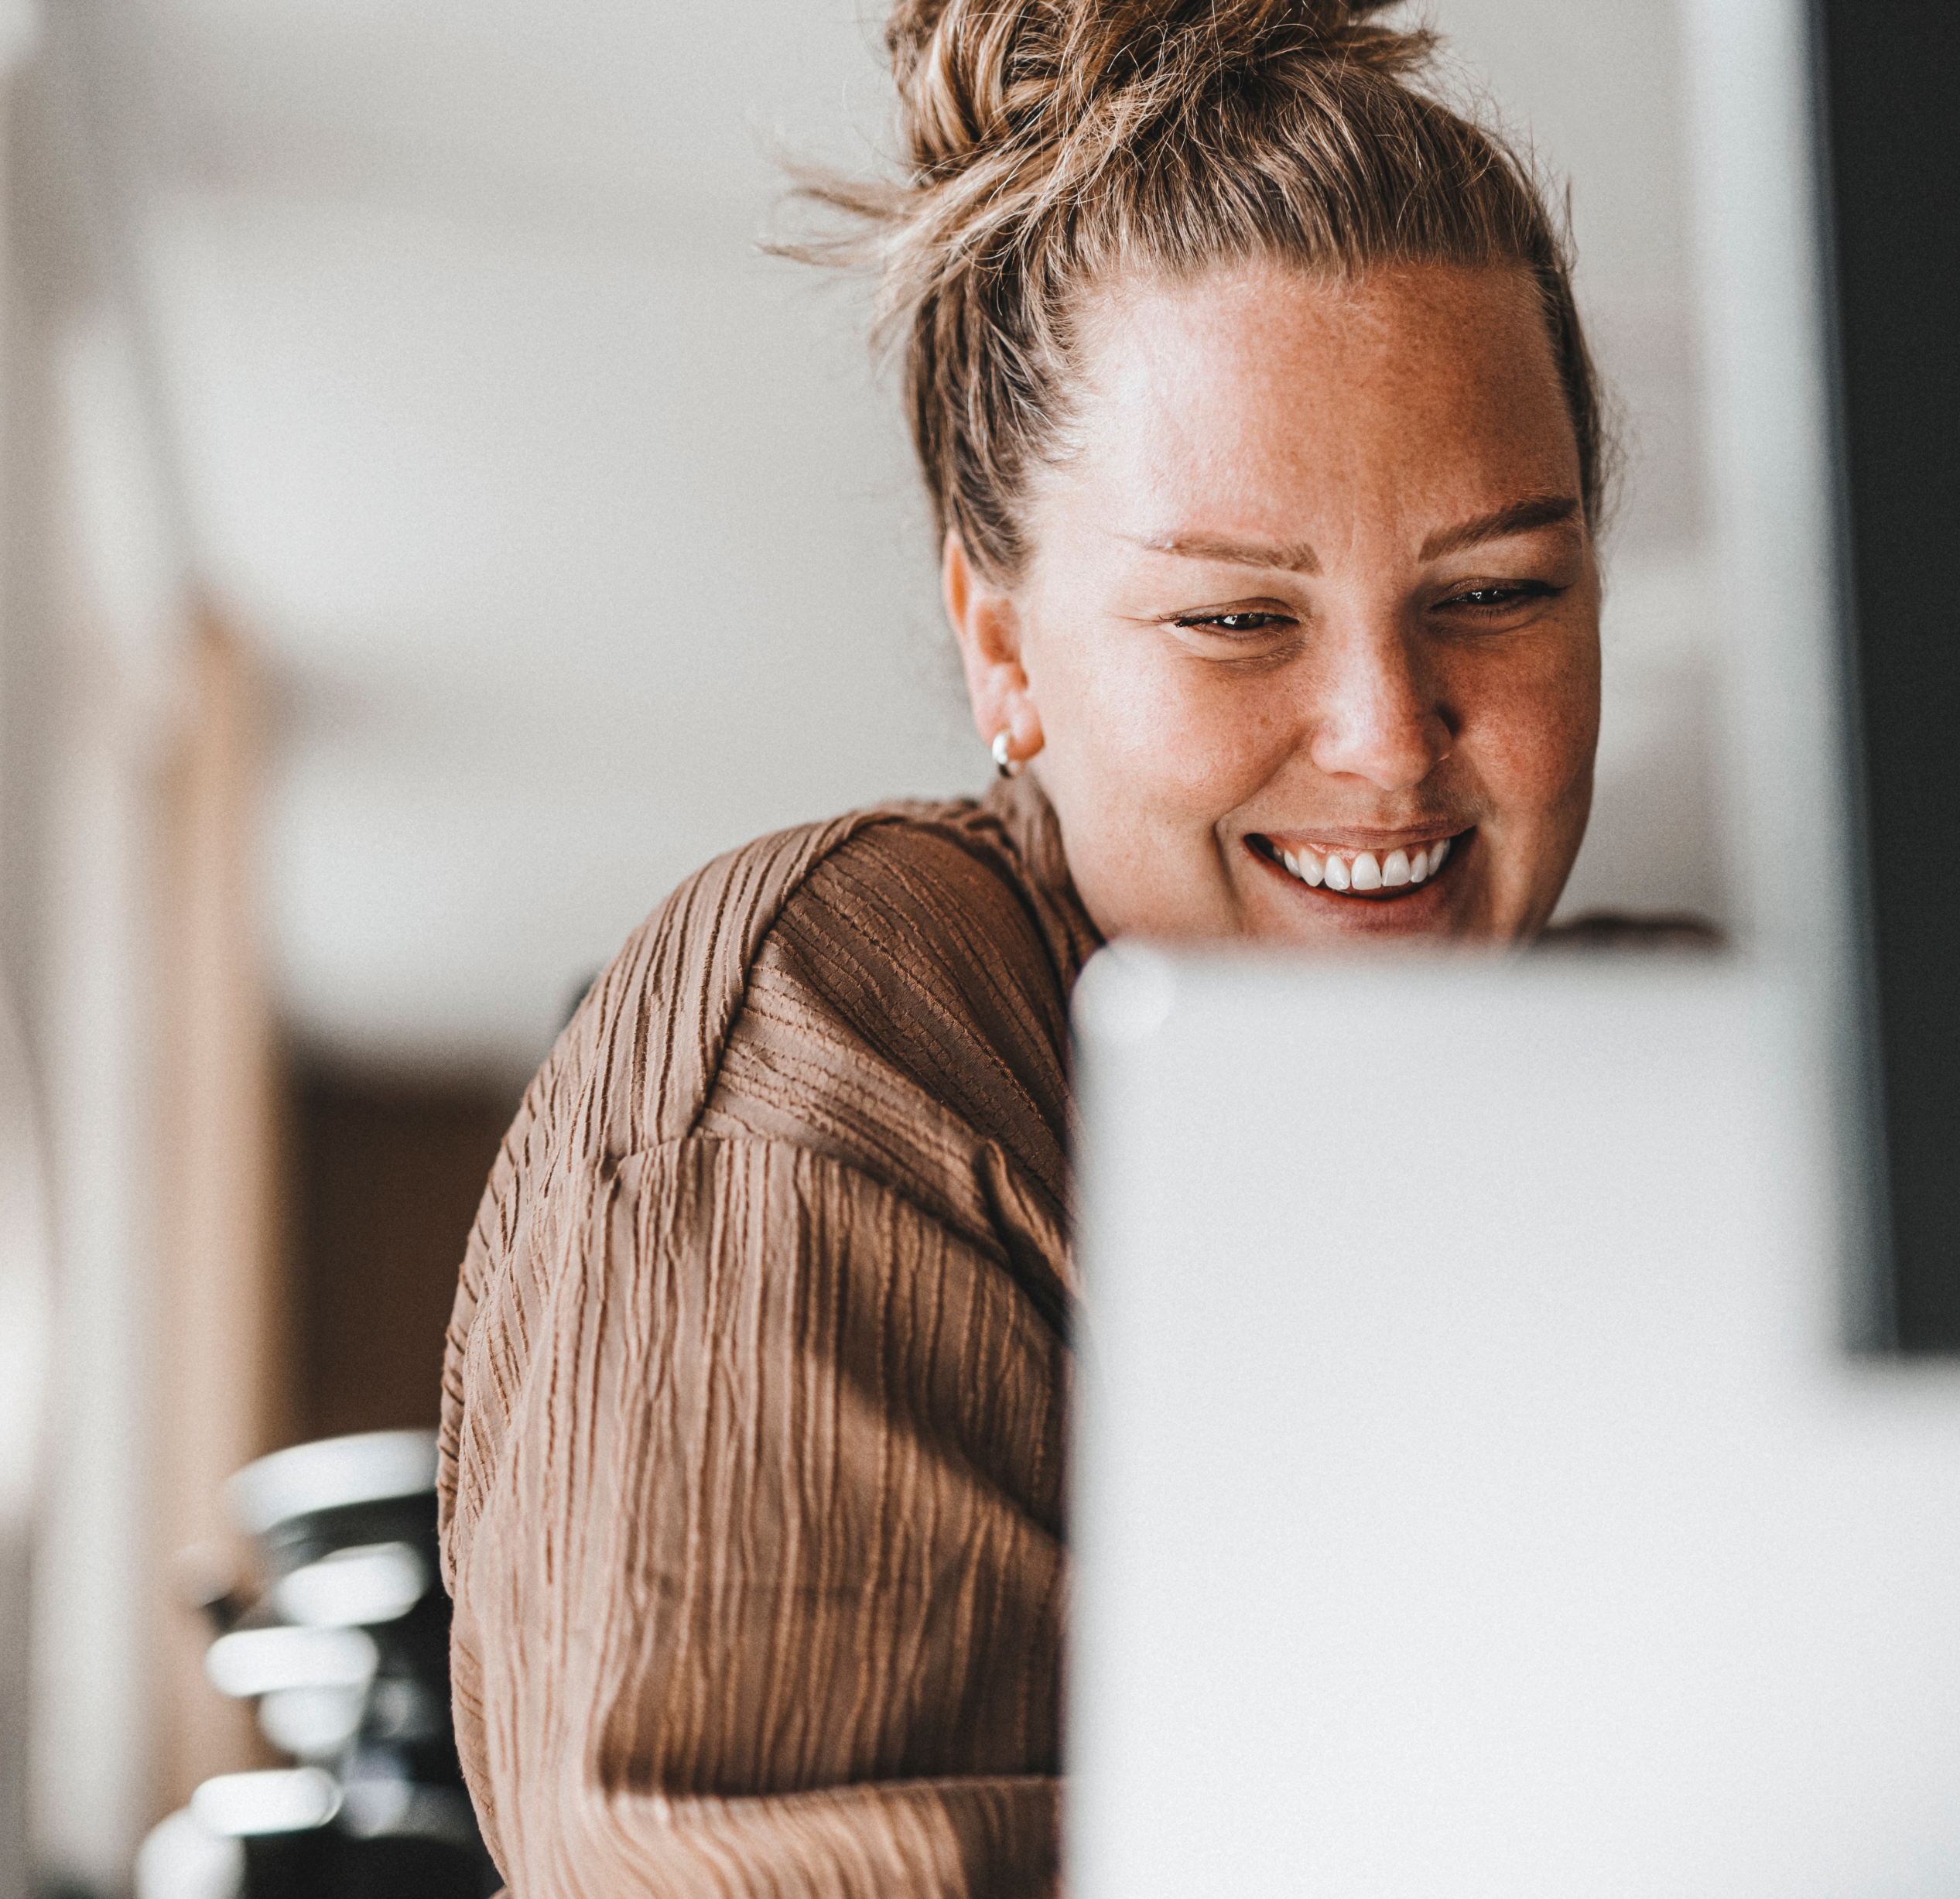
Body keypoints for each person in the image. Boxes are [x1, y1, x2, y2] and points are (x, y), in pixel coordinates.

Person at [436, 2, 1661, 1889]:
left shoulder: (1692, 1078)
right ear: (1001, 645)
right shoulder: (828, 1046)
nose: (1391, 738)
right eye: (1238, 621)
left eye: (1498, 593)